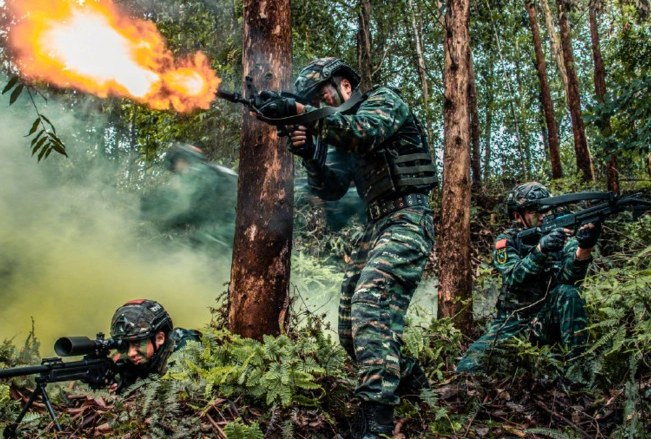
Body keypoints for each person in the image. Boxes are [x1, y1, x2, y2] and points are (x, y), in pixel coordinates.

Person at [257, 57, 438, 438]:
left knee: (370, 302)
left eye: (323, 94)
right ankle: (414, 383)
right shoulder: (336, 132)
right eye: (314, 99)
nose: (322, 102)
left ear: (345, 84)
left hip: (408, 217)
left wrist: (300, 111)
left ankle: (377, 421)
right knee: (350, 330)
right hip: (377, 224)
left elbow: (363, 132)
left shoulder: (384, 101)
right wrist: (310, 156)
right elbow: (333, 189)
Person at [456, 182, 601, 374]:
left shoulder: (561, 236)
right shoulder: (506, 241)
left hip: (548, 321)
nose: (542, 216)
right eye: (534, 211)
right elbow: (515, 276)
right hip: (512, 324)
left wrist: (585, 247)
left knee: (569, 292)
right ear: (518, 215)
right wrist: (541, 250)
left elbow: (571, 279)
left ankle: (577, 374)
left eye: (546, 210)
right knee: (467, 368)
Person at [139, 143, 237, 248]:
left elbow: (178, 205)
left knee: (192, 247)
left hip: (234, 231)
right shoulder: (214, 171)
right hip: (238, 228)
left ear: (184, 159)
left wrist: (143, 208)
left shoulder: (198, 171)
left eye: (176, 163)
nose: (176, 170)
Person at [109, 299, 201, 390]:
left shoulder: (185, 345)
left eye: (137, 344)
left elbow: (188, 390)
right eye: (125, 344)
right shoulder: (121, 356)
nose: (131, 353)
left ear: (159, 338)